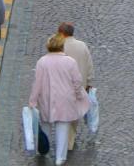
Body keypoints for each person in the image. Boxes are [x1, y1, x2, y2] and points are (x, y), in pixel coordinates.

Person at [29, 33, 90, 166]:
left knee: (45, 125)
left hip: (47, 98)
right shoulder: (70, 62)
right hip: (66, 100)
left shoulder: (42, 62)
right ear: (62, 47)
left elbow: (37, 84)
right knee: (63, 127)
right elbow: (77, 82)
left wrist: (32, 101)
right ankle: (60, 158)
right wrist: (80, 96)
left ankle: (43, 149)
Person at [57, 23, 95, 152]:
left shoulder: (59, 47)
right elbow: (89, 65)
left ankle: (63, 140)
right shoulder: (82, 46)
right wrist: (89, 82)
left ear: (62, 33)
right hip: (79, 87)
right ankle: (69, 141)